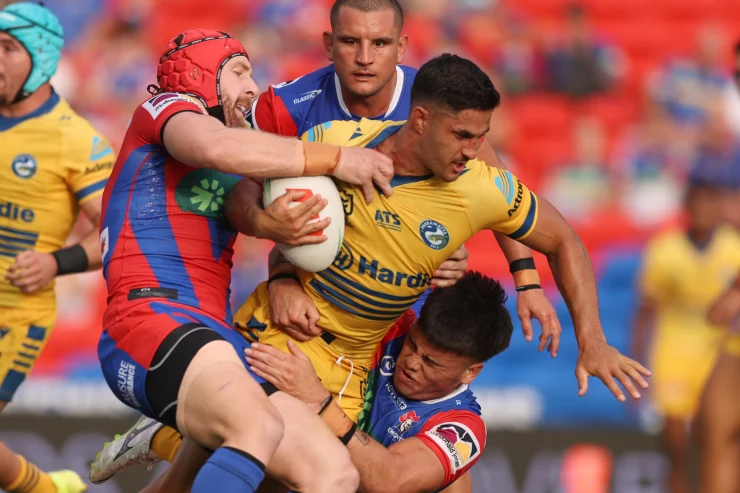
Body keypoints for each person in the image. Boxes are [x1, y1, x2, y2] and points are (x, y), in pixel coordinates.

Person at [91, 0, 563, 481]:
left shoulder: (431, 102)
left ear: (400, 47)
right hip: (299, 312)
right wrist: (280, 271)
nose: (365, 57)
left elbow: (499, 188)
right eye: (351, 42)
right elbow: (235, 178)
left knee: (378, 473)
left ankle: (169, 431)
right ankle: (172, 431)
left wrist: (525, 280)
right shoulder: (286, 105)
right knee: (264, 447)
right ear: (328, 44)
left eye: (379, 43)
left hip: (382, 319)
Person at [95, 27, 396, 493]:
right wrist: (336, 158)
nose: (252, 87)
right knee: (256, 426)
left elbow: (243, 204)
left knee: (332, 473)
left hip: (214, 336)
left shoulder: (230, 162)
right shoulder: (164, 109)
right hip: (150, 318)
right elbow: (216, 147)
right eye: (238, 72)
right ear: (197, 78)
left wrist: (270, 223)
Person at [132, 271, 515, 493]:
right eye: (413, 345)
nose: (410, 363)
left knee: (453, 483)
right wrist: (284, 280)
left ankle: (176, 431)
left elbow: (391, 481)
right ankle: (177, 426)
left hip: (340, 476)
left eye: (431, 363)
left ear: (470, 372)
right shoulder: (394, 320)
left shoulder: (461, 427)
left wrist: (320, 402)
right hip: (305, 464)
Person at [0, 3, 114, 492]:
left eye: (6, 48)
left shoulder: (75, 140)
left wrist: (55, 262)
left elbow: (115, 234)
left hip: (13, 314)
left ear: (41, 55)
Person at [632, 167, 740, 493]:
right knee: (678, 447)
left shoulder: (732, 246)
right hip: (675, 352)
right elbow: (645, 311)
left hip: (717, 353)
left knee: (716, 440)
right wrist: (637, 361)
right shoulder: (665, 250)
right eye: (698, 202)